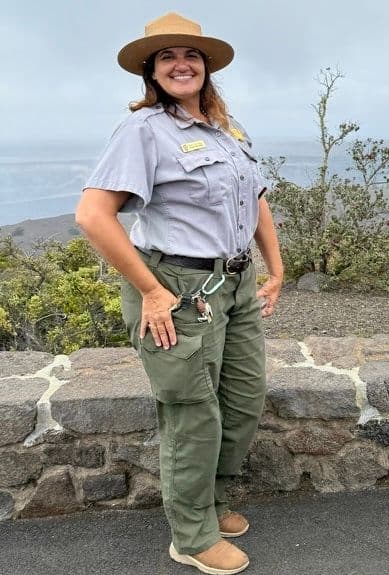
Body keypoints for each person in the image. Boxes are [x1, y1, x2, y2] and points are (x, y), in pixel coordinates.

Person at [76, 12, 282, 575]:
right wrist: (149, 290)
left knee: (242, 400)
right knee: (192, 413)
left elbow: (255, 197)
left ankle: (212, 504)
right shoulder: (143, 131)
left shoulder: (225, 128)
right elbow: (94, 216)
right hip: (178, 288)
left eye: (190, 54)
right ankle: (191, 536)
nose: (180, 63)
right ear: (151, 71)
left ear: (206, 65)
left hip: (233, 284)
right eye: (166, 56)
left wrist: (276, 270)